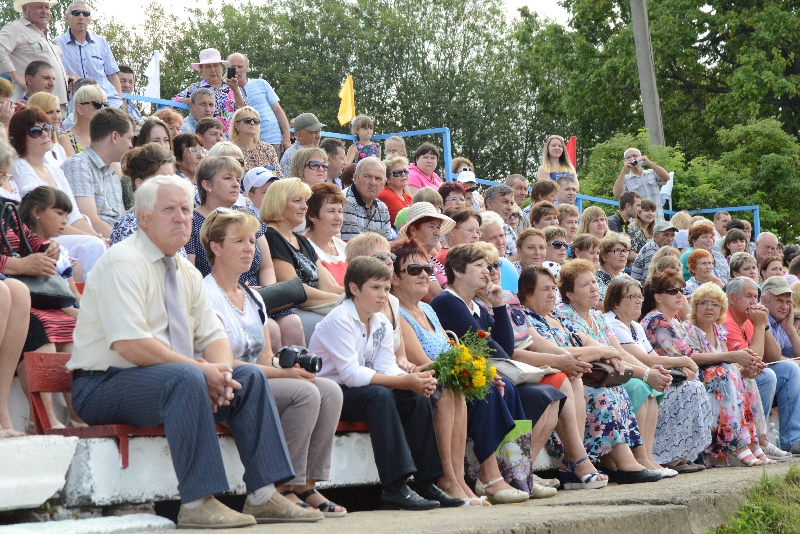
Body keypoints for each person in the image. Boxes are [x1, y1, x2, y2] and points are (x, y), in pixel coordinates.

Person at [67, 174, 317, 527]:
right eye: (169, 209)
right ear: (143, 218)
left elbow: (213, 337)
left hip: (163, 382)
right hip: (104, 385)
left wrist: (221, 373)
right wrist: (202, 372)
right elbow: (130, 344)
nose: (182, 217)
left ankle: (263, 495)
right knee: (187, 376)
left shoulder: (184, 269)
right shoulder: (123, 263)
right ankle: (198, 502)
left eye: (186, 209)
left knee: (247, 377)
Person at [200, 208, 345, 517]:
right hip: (228, 384)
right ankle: (281, 487)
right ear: (215, 247)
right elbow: (225, 362)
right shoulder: (205, 295)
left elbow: (266, 359)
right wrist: (287, 375)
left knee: (330, 390)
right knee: (304, 393)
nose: (249, 249)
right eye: (238, 241)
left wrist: (289, 370)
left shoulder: (253, 297)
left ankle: (306, 484)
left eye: (252, 241)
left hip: (258, 378)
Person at [309, 257, 462, 510]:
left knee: (414, 398)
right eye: (375, 288)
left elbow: (386, 365)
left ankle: (427, 482)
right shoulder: (339, 319)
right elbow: (350, 375)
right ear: (354, 289)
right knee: (381, 396)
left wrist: (414, 381)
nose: (383, 295)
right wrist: (404, 382)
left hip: (360, 389)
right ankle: (394, 487)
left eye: (387, 289)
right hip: (332, 393)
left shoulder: (379, 321)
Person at [429, 244, 568, 494]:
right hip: (466, 381)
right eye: (479, 265)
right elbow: (493, 351)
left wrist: (499, 305)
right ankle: (492, 475)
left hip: (491, 375)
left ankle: (519, 472)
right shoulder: (447, 302)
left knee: (549, 396)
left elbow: (506, 347)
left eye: (490, 265)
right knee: (502, 390)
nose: (488, 272)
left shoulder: (476, 307)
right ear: (458, 271)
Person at [551, 260, 663, 483]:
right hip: (583, 377)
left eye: (594, 282)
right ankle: (625, 463)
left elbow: (618, 352)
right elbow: (581, 351)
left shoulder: (597, 316)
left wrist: (647, 371)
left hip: (605, 376)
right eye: (585, 285)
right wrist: (642, 372)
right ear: (570, 294)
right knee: (611, 393)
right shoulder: (562, 315)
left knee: (636, 387)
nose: (594, 288)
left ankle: (639, 458)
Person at [682, 283, 781, 466]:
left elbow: (730, 363)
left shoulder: (718, 330)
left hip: (720, 377)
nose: (709, 308)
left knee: (747, 378)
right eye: (703, 303)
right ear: (695, 307)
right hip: (699, 378)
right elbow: (691, 358)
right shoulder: (688, 329)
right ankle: (735, 444)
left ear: (721, 309)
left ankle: (754, 441)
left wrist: (745, 370)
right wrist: (732, 360)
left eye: (715, 304)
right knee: (725, 371)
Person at [17, 185, 85, 429]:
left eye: (67, 215)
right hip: (27, 307)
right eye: (58, 213)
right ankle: (44, 417)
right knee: (44, 328)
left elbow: (71, 295)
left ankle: (77, 413)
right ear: (36, 212)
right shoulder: (15, 241)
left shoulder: (61, 252)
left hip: (57, 308)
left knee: (76, 329)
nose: (64, 221)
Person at [10, 106, 106, 271]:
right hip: (40, 238)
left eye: (47, 128)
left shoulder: (55, 170)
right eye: (35, 131)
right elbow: (47, 220)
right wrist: (91, 238)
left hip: (61, 233)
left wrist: (95, 235)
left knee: (100, 244)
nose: (46, 134)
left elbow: (73, 215)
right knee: (94, 246)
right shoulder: (19, 167)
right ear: (20, 137)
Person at [601, 276, 680, 475]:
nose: (638, 301)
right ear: (616, 301)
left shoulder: (635, 326)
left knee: (652, 387)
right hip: (618, 375)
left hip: (635, 371)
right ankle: (640, 457)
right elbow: (627, 356)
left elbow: (652, 357)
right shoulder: (612, 322)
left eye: (640, 296)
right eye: (632, 296)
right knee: (642, 386)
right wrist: (650, 373)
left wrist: (659, 371)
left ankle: (648, 456)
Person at [639, 269, 717, 470]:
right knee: (701, 384)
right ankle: (669, 454)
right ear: (657, 297)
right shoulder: (656, 319)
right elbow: (686, 354)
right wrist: (731, 356)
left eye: (681, 290)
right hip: (662, 379)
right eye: (673, 290)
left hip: (673, 375)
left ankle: (680, 452)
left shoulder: (670, 319)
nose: (680, 295)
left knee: (697, 384)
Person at [262, 178, 342, 340]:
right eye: (297, 201)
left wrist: (358, 295)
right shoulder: (270, 236)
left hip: (316, 305)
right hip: (294, 311)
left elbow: (327, 285)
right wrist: (343, 301)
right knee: (344, 321)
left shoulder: (301, 240)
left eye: (305, 201)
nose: (305, 206)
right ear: (279, 203)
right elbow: (294, 291)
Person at [62, 107, 132, 237]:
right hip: (100, 245)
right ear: (115, 137)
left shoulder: (112, 172)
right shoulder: (78, 165)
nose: (131, 145)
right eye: (129, 138)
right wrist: (128, 245)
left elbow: (121, 219)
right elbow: (89, 221)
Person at [0, 1, 68, 108]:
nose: (44, 11)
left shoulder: (46, 36)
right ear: (24, 9)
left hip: (57, 104)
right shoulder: (16, 28)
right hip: (34, 104)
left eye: (47, 7)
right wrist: (17, 78)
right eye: (39, 7)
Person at [54, 3, 122, 109]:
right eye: (76, 13)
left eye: (85, 14)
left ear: (90, 19)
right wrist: (67, 77)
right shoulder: (56, 44)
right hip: (79, 106)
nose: (81, 17)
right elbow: (52, 75)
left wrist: (119, 102)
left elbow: (112, 76)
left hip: (109, 102)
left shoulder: (101, 42)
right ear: (67, 18)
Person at [110, 143, 176, 247]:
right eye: (163, 178)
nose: (171, 184)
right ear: (140, 183)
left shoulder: (171, 218)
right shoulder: (129, 227)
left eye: (172, 178)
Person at [227, 53, 291, 155]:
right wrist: (234, 89)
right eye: (233, 67)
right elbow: (241, 112)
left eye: (240, 66)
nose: (237, 70)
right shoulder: (226, 92)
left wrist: (286, 138)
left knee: (275, 171)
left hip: (274, 140)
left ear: (247, 68)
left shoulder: (261, 83)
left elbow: (278, 111)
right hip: (249, 144)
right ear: (227, 69)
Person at [173, 48, 243, 135]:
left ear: (221, 67)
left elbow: (243, 111)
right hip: (206, 138)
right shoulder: (196, 87)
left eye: (216, 65)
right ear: (201, 70)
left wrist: (236, 90)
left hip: (231, 139)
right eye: (208, 66)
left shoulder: (231, 86)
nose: (213, 70)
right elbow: (174, 102)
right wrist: (193, 100)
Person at [397, 202, 454, 299]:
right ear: (413, 231)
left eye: (438, 227)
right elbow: (434, 295)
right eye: (431, 226)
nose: (437, 233)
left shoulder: (431, 258)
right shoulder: (413, 258)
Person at [612, 147, 671, 222]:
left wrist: (649, 163)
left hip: (658, 220)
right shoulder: (625, 179)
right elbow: (616, 193)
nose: (632, 158)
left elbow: (666, 178)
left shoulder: (651, 173)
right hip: (639, 223)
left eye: (635, 156)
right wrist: (624, 170)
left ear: (641, 157)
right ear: (625, 161)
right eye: (628, 157)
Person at [305, 182, 347, 286]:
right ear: (312, 216)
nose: (338, 218)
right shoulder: (304, 247)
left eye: (340, 211)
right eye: (331, 211)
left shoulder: (344, 246)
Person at [341, 157, 392, 241]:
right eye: (367, 176)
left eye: (378, 178)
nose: (373, 182)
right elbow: (352, 246)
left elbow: (388, 244)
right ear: (355, 178)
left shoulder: (382, 208)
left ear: (384, 183)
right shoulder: (345, 201)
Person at [57, 84, 108, 158]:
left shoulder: (105, 137)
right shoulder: (65, 139)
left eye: (105, 105)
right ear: (80, 108)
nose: (103, 109)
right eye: (97, 104)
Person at [230, 106, 282, 176]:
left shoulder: (267, 148)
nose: (252, 123)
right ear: (236, 125)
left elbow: (279, 176)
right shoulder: (230, 150)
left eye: (256, 121)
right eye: (247, 120)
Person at [26, 91, 66, 165]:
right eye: (50, 112)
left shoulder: (58, 147)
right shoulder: (33, 150)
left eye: (58, 111)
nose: (56, 116)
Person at [280, 113, 323, 179]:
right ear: (300, 134)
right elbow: (291, 187)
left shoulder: (317, 154)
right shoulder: (291, 156)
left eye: (319, 132)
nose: (318, 136)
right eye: (314, 132)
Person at [483, 185, 519, 258]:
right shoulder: (479, 226)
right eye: (505, 202)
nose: (509, 208)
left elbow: (518, 255)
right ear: (490, 203)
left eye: (511, 203)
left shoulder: (507, 228)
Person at [596, 232, 631, 304]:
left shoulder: (626, 277)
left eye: (625, 251)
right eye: (617, 250)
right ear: (604, 256)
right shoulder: (597, 280)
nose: (623, 254)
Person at [377, 155, 412, 227]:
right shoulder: (386, 195)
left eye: (406, 171)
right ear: (388, 178)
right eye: (397, 172)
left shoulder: (407, 197)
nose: (403, 174)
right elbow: (407, 222)